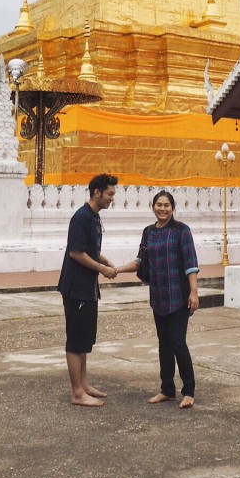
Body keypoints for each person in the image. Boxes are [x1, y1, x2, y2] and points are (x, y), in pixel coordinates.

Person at [117, 190, 199, 409]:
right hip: (159, 297)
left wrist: (193, 292)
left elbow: (191, 263)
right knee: (164, 344)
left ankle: (188, 390)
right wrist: (115, 269)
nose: (162, 209)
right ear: (153, 207)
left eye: (167, 205)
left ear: (173, 208)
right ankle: (167, 389)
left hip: (179, 296)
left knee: (178, 343)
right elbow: (140, 261)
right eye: (158, 205)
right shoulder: (148, 232)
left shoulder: (182, 231)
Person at [57, 174, 118, 407]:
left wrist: (105, 261)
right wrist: (102, 268)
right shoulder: (81, 217)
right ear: (97, 192)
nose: (112, 198)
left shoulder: (93, 217)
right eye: (110, 194)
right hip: (76, 287)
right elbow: (76, 252)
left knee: (83, 339)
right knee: (75, 341)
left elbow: (89, 249)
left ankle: (83, 384)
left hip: (87, 287)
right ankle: (77, 393)